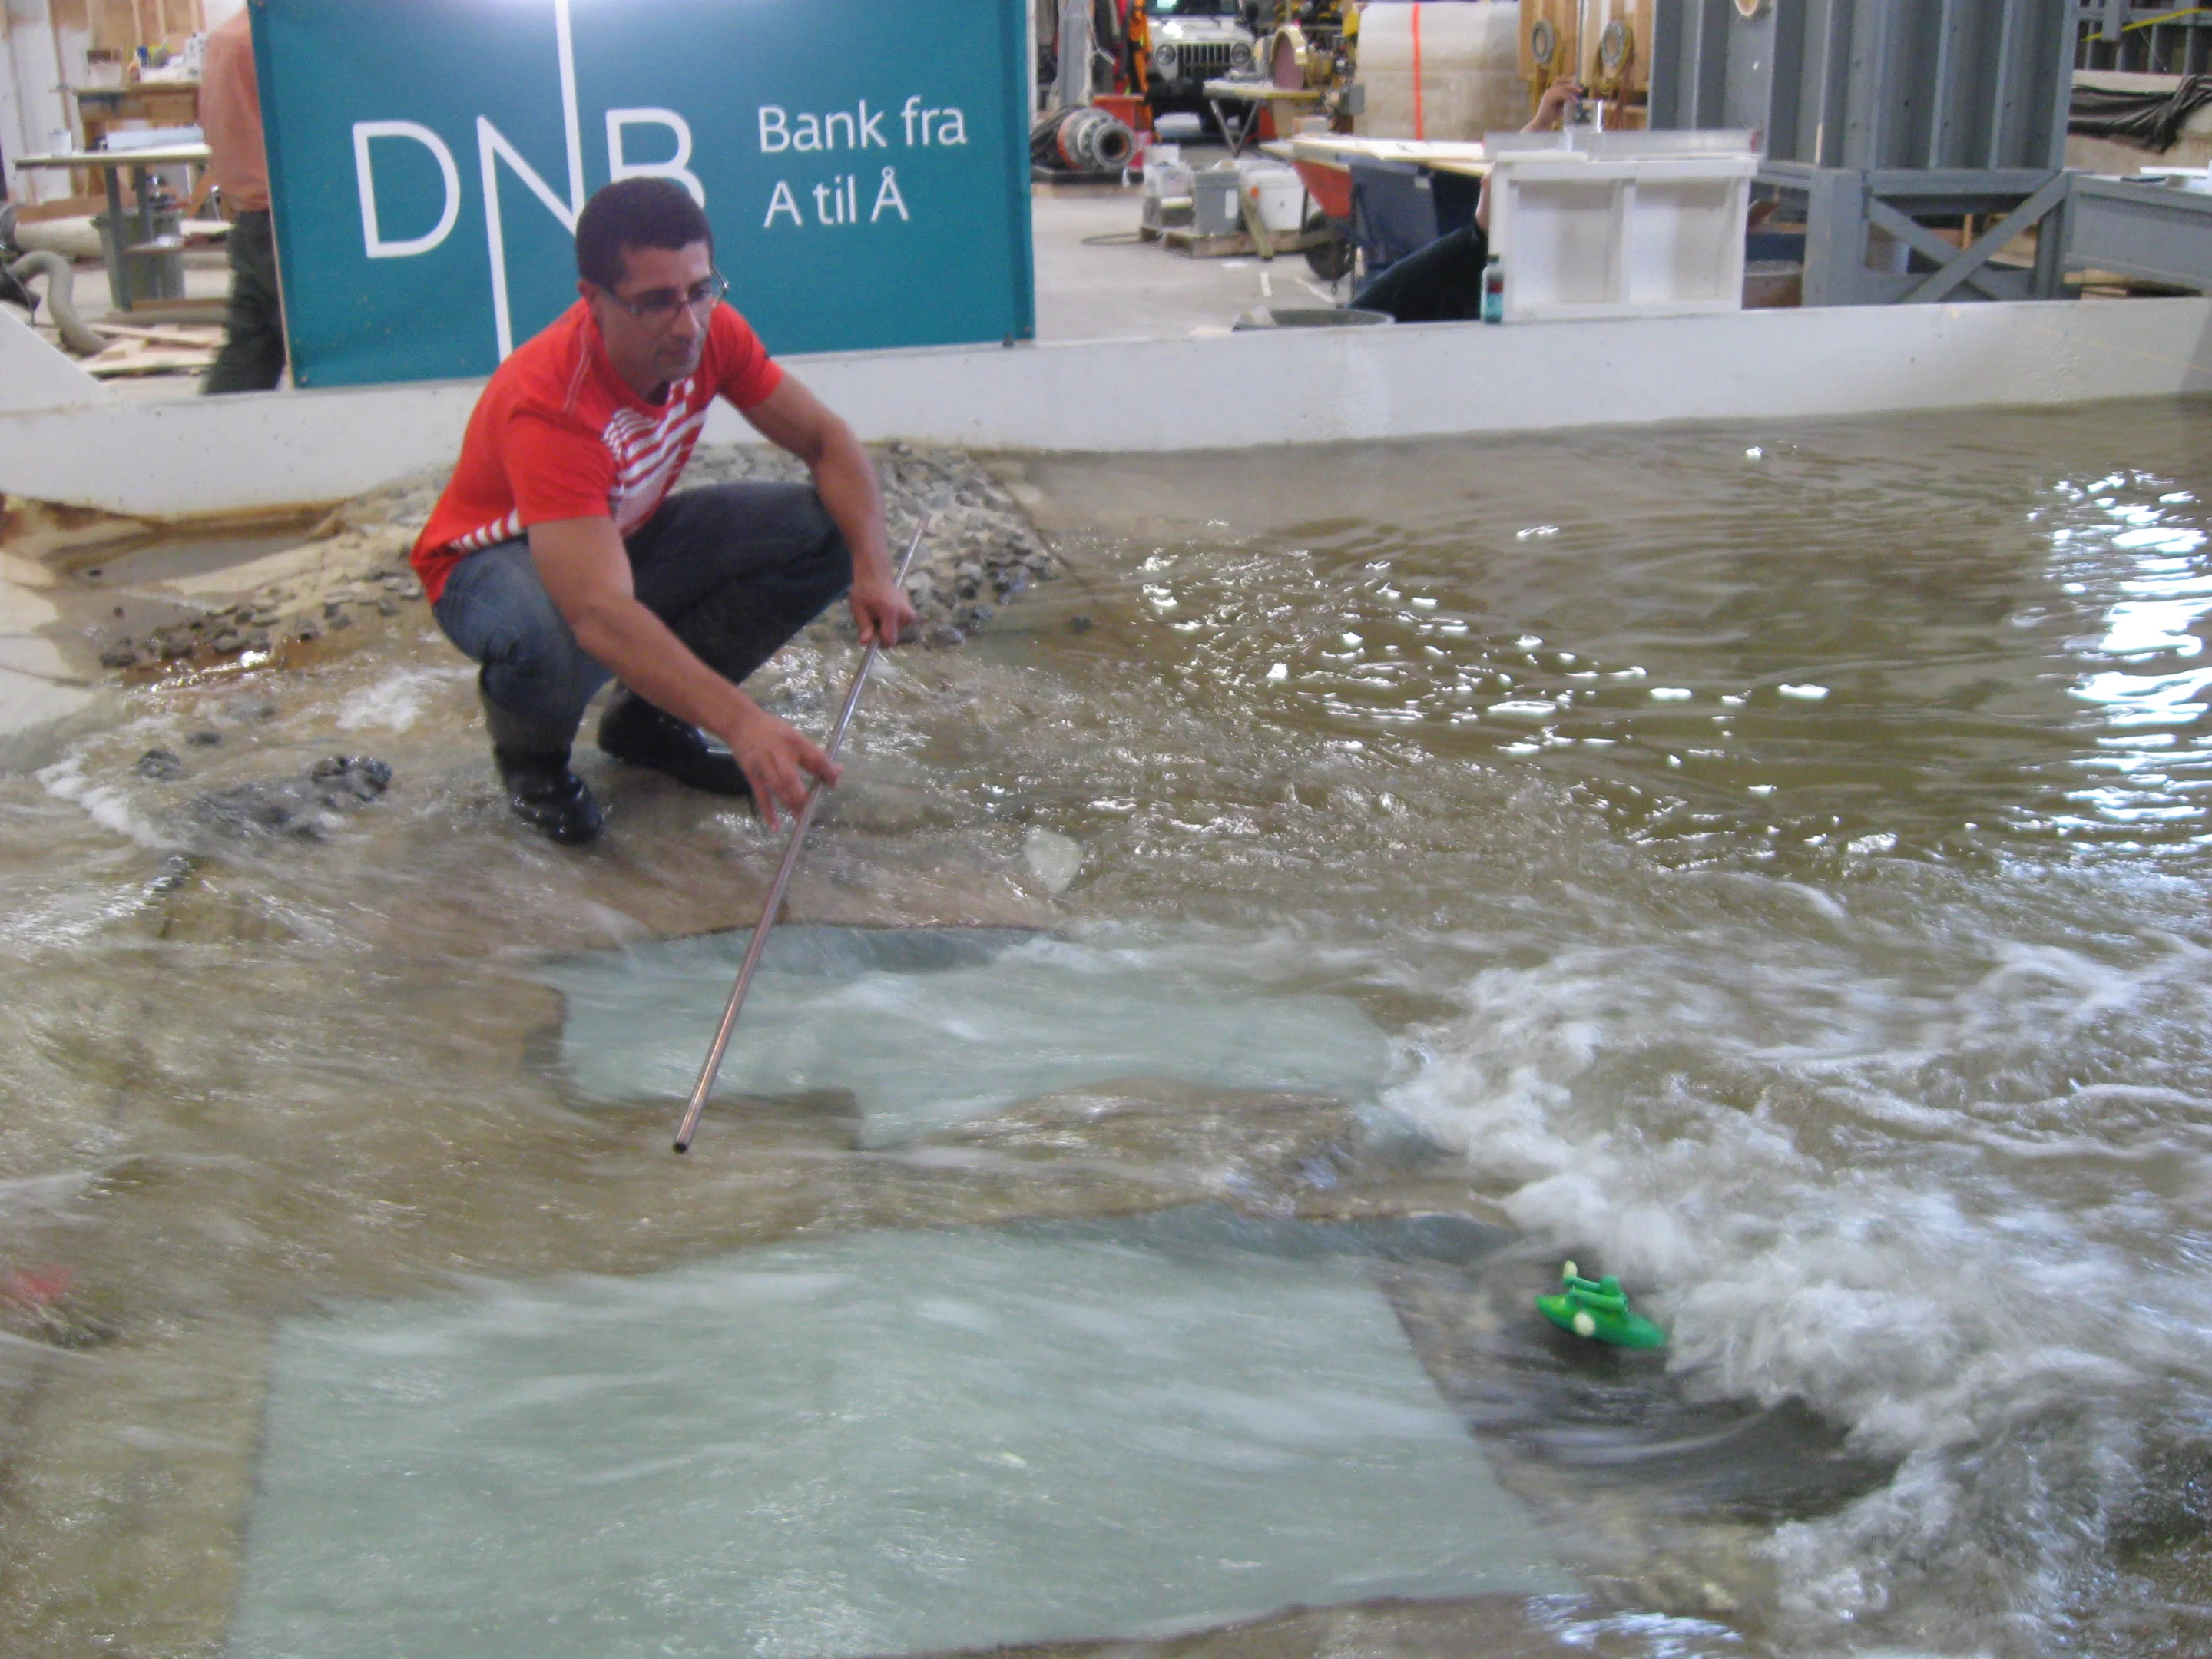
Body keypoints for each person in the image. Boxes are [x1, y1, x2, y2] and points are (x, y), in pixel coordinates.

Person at [409, 177, 916, 846]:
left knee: (824, 531)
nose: (687, 324)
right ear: (594, 300)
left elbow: (829, 442)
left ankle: (647, 725)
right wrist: (742, 723)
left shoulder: (711, 331)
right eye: (656, 303)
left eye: (700, 290)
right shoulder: (550, 404)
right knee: (554, 631)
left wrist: (874, 571)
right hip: (488, 564)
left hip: (614, 532)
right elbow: (596, 611)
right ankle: (533, 764)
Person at [1350, 80, 1586, 325]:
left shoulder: (1508, 257)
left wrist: (1542, 124)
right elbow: (1492, 183)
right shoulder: (1480, 252)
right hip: (1379, 320)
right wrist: (1541, 123)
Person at [199, 8, 286, 393]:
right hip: (281, 219)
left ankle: (211, 442)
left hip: (253, 213)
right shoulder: (268, 41)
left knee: (252, 346)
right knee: (335, 349)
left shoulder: (229, 35)